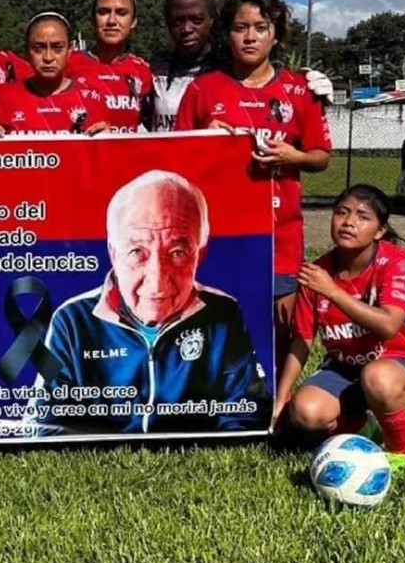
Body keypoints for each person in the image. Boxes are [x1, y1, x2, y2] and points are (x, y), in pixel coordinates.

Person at [30, 170, 268, 434]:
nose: (157, 282)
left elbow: (247, 414)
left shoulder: (223, 313)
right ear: (113, 253)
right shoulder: (72, 321)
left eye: (177, 252)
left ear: (200, 253)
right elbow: (45, 424)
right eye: (137, 252)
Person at [173, 0, 333, 376]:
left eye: (260, 27)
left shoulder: (299, 90)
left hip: (280, 236)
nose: (250, 37)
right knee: (215, 322)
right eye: (240, 27)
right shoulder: (203, 90)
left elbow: (321, 156)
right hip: (220, 233)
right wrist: (204, 142)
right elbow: (177, 161)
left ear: (276, 35)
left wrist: (294, 157)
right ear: (227, 34)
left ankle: (275, 402)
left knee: (279, 328)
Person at [275, 185, 405, 473]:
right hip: (345, 369)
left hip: (404, 363)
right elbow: (302, 339)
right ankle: (366, 426)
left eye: (363, 217)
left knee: (378, 377)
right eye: (342, 212)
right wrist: (282, 398)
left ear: (380, 231)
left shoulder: (397, 263)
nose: (349, 222)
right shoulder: (317, 273)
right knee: (306, 413)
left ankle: (397, 451)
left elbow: (388, 326)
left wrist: (332, 291)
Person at [148, 0, 334, 131]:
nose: (187, 29)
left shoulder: (232, 66)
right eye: (177, 21)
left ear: (212, 19)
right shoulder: (152, 69)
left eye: (196, 20)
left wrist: (308, 85)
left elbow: (271, 81)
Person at [0, 12, 110, 136]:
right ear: (27, 51)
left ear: (69, 50)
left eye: (57, 48)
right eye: (39, 49)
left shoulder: (92, 99)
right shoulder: (6, 98)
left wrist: (109, 140)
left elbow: (104, 150)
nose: (48, 57)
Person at [65, 0, 153, 133]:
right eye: (103, 12)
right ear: (93, 19)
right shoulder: (67, 64)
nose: (111, 21)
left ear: (133, 21)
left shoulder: (144, 71)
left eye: (121, 13)